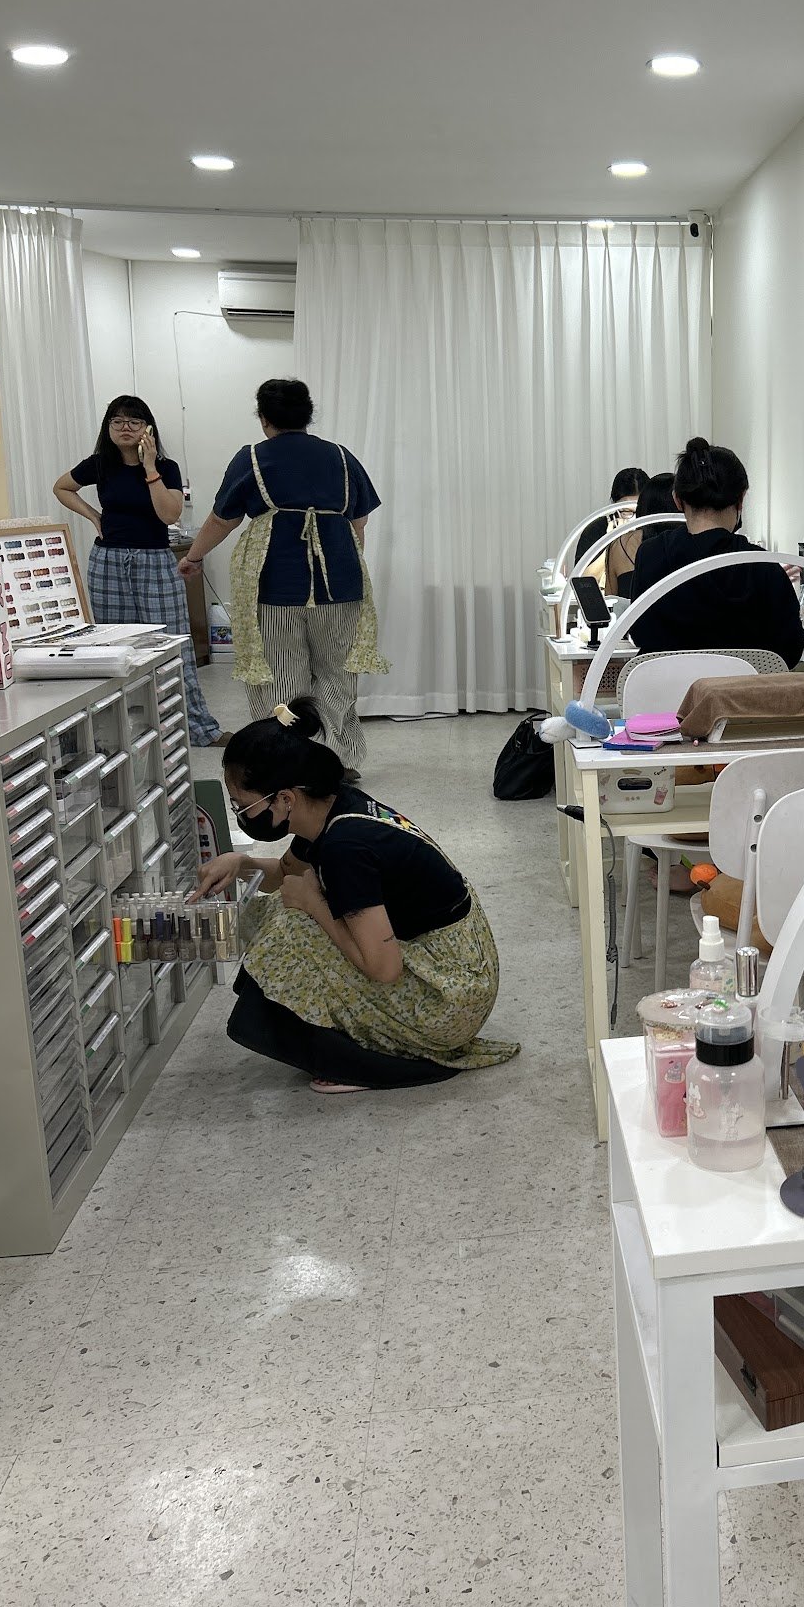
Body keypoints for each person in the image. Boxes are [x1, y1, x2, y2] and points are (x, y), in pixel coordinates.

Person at [193, 698, 518, 1093]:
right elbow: (283, 875)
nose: (240, 813)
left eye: (242, 805)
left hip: (450, 998)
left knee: (294, 930)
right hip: (457, 966)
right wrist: (240, 861)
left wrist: (314, 904)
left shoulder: (345, 849)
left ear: (284, 798)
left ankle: (364, 1062)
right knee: (284, 908)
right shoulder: (330, 808)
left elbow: (384, 969)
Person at [178, 378, 384, 779]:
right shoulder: (341, 457)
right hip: (340, 581)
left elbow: (223, 518)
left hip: (273, 581)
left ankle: (289, 760)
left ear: (264, 417)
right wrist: (341, 561)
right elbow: (358, 523)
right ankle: (333, 759)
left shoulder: (252, 458)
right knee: (336, 673)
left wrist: (194, 556)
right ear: (308, 415)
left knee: (279, 673)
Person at [54, 395, 223, 746]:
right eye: (117, 421)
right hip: (108, 562)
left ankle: (199, 729)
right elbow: (62, 487)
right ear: (108, 428)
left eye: (134, 421)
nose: (125, 427)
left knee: (172, 644)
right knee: (113, 645)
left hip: (154, 561)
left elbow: (169, 515)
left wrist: (149, 469)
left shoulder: (166, 467)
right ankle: (122, 732)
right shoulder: (100, 464)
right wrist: (93, 515)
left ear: (148, 428)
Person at [627, 438, 804, 668]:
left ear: (677, 500)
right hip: (745, 701)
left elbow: (639, 633)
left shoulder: (650, 555)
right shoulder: (763, 564)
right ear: (741, 499)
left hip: (671, 702)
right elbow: (790, 650)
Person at [576, 466, 648, 597]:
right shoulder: (596, 529)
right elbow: (583, 581)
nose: (634, 518)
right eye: (626, 511)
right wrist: (612, 540)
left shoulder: (652, 530)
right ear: (615, 505)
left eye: (639, 512)